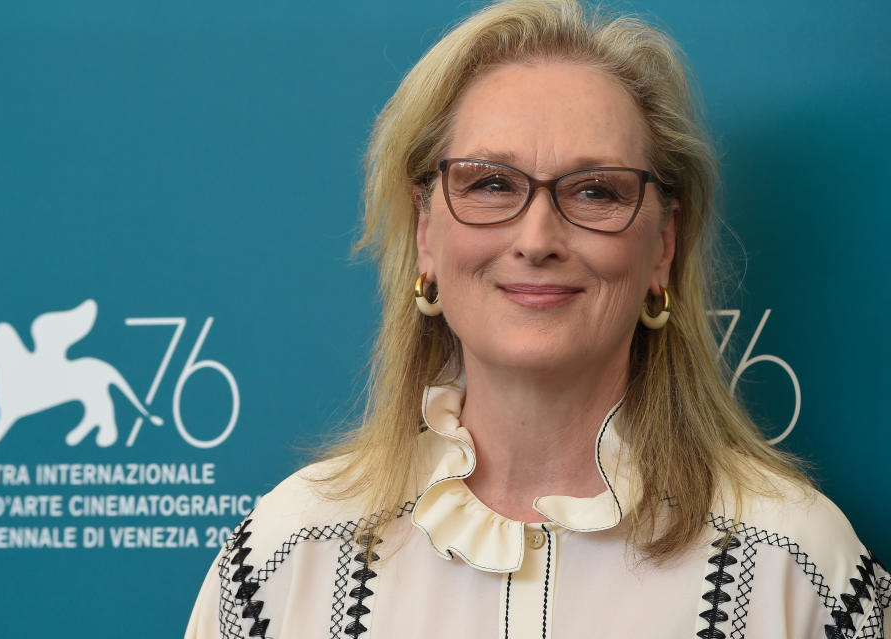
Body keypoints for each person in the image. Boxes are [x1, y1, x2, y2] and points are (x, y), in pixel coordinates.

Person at [185, 1, 889, 637]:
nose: (537, 237)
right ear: (426, 233)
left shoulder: (798, 566)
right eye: (490, 182)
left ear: (663, 248)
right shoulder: (285, 556)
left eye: (595, 190)